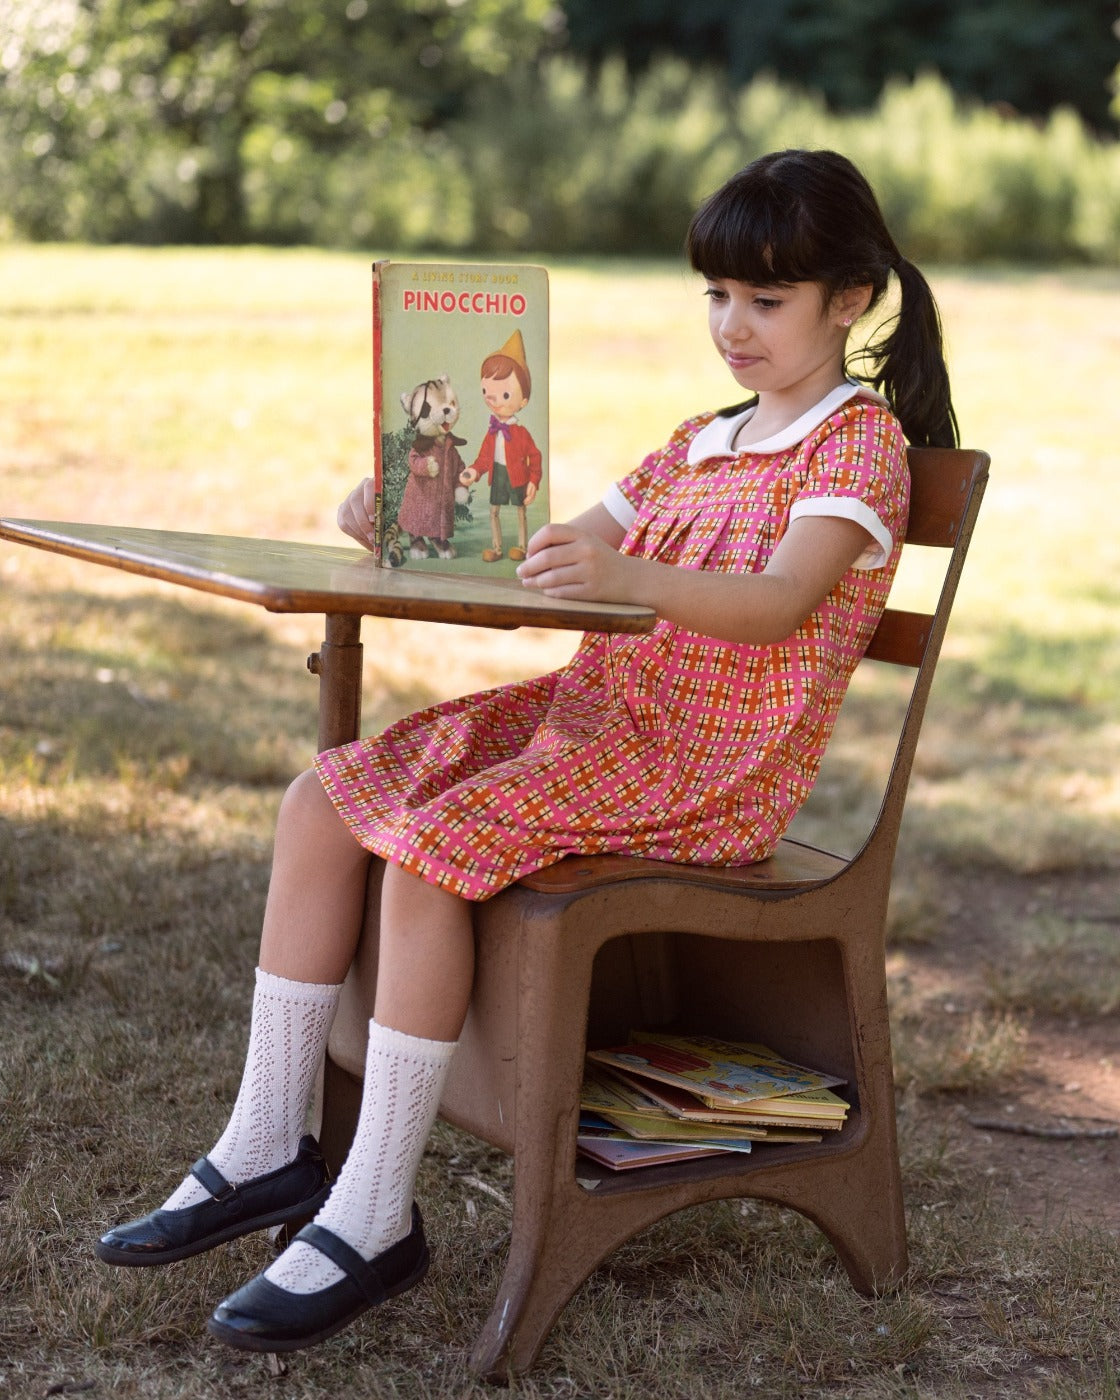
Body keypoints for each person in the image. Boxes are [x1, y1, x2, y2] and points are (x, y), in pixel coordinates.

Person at [95, 148, 957, 1354]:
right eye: (716, 294)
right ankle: (268, 1141)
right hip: (598, 716)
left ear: (850, 299)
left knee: (428, 850)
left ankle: (374, 1207)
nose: (732, 325)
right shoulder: (698, 441)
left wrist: (633, 574)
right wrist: (406, 516)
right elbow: (536, 561)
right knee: (321, 803)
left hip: (707, 769)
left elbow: (773, 601)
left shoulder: (854, 448)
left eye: (765, 300)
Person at [460, 328, 543, 562]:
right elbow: (484, 458)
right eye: (487, 391)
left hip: (517, 475)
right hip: (497, 474)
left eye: (504, 395)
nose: (492, 399)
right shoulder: (493, 431)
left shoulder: (522, 434)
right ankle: (496, 548)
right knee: (494, 510)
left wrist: (534, 481)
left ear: (523, 401)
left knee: (520, 511)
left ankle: (522, 546)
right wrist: (474, 471)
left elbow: (535, 457)